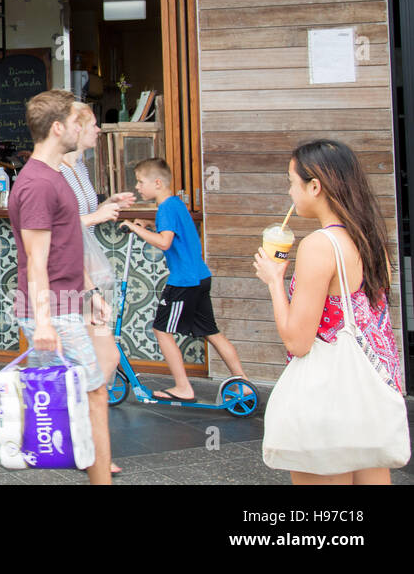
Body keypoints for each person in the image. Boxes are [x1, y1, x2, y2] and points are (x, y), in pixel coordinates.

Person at [0, 90, 112, 485]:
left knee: (38, 392)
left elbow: (66, 244)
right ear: (58, 128)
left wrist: (89, 293)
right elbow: (37, 261)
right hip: (52, 310)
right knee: (92, 394)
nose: (84, 128)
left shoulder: (54, 175)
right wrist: (45, 322)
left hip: (63, 304)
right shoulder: (38, 185)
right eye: (77, 122)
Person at [253, 139, 405, 485]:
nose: (291, 193)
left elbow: (298, 341)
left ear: (315, 186)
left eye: (292, 182)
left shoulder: (319, 246)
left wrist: (275, 281)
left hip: (328, 402)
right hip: (368, 394)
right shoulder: (371, 240)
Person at [124, 158, 249, 400]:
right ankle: (243, 383)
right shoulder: (175, 204)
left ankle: (183, 387)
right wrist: (149, 223)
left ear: (157, 183)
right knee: (211, 332)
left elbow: (164, 242)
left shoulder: (166, 208)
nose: (138, 187)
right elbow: (172, 231)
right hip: (201, 277)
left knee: (161, 330)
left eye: (140, 182)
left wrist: (134, 227)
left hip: (184, 282)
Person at [60, 102, 133, 476]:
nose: (99, 130)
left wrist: (107, 204)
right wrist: (97, 215)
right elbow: (57, 226)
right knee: (103, 360)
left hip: (87, 267)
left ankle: (83, 442)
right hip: (74, 274)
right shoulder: (57, 170)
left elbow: (79, 217)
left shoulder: (80, 168)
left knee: (98, 361)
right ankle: (86, 445)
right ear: (74, 127)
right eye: (92, 124)